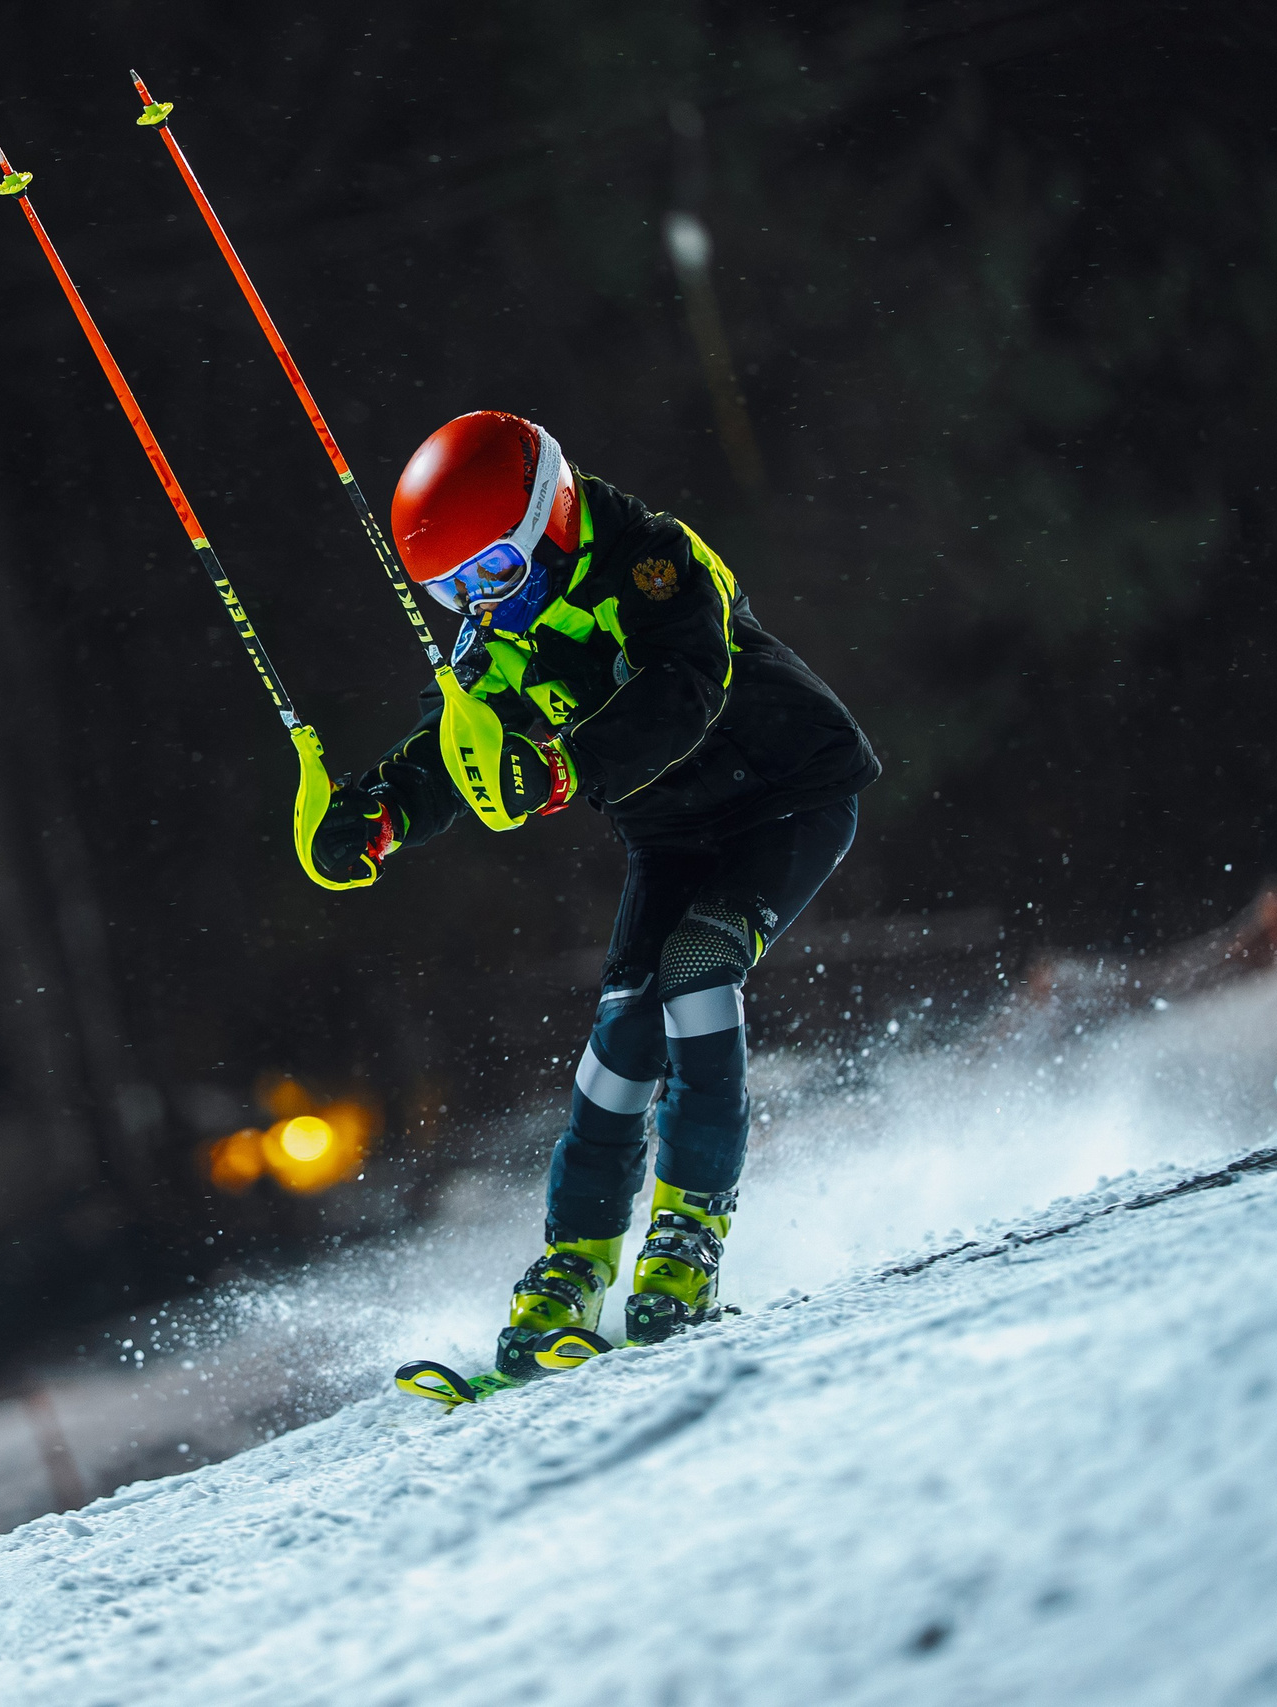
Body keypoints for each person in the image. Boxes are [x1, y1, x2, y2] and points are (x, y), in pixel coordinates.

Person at [312, 411, 879, 1367]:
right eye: (451, 592)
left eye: (493, 570)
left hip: (788, 792)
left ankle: (688, 1233)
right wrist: (380, 813)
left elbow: (685, 686)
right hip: (671, 833)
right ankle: (574, 1260)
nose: (482, 602)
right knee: (624, 1028)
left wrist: (567, 767)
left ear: (555, 513)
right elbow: (457, 747)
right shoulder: (495, 634)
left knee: (699, 971)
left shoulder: (655, 561)